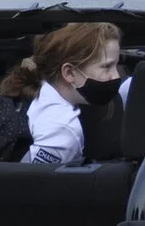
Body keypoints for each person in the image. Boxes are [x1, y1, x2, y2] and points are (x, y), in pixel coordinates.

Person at [13, 21, 125, 165]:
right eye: (107, 67)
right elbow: (33, 184)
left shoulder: (29, 95)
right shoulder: (62, 131)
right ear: (69, 72)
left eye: (116, 65)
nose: (116, 76)